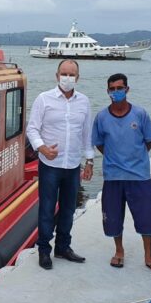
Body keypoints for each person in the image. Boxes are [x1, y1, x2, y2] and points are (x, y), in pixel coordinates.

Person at [92, 73, 151, 274]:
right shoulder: (101, 117)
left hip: (139, 176)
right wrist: (114, 158)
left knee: (146, 216)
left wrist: (135, 156)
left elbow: (149, 140)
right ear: (108, 92)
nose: (116, 92)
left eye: (120, 88)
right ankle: (119, 250)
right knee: (113, 217)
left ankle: (148, 256)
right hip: (113, 177)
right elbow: (99, 143)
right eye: (112, 89)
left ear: (127, 89)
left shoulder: (140, 114)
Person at [26, 59, 95, 270]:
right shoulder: (43, 99)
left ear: (78, 78)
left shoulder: (83, 102)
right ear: (57, 76)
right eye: (64, 74)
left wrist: (89, 160)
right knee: (47, 208)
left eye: (71, 74)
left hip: (73, 164)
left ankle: (63, 247)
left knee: (68, 208)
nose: (67, 78)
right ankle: (44, 250)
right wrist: (42, 148)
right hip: (49, 164)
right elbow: (32, 129)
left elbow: (86, 134)